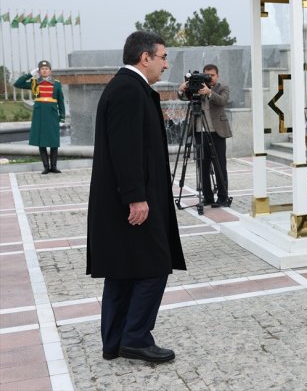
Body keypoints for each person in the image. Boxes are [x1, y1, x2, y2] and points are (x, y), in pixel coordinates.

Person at [86, 31, 186, 363]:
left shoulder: (127, 87)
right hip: (132, 202)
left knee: (123, 269)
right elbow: (125, 150)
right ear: (145, 57)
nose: (166, 63)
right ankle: (136, 338)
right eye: (163, 56)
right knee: (154, 265)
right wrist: (136, 197)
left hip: (123, 200)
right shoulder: (129, 90)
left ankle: (114, 341)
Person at [177, 64, 232, 207]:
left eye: (212, 75)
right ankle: (207, 197)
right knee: (202, 166)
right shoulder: (197, 86)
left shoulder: (222, 88)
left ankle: (223, 197)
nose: (209, 78)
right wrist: (182, 89)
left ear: (217, 76)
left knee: (220, 165)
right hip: (199, 132)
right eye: (207, 75)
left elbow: (223, 101)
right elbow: (183, 98)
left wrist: (209, 92)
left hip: (217, 133)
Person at [14, 60, 65, 174]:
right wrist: (29, 75)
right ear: (39, 71)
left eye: (47, 69)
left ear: (50, 71)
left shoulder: (56, 84)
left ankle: (54, 166)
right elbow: (17, 84)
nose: (45, 70)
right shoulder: (34, 83)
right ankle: (46, 167)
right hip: (40, 115)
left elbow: (60, 101)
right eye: (42, 69)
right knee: (41, 141)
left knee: (53, 141)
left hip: (52, 115)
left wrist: (62, 117)